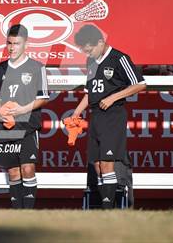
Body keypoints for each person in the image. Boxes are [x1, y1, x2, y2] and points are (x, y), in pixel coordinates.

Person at [71, 24, 146, 209]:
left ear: (100, 42)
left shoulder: (119, 58)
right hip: (95, 116)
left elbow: (140, 84)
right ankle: (104, 206)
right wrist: (76, 112)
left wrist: (113, 97)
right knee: (96, 164)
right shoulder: (91, 61)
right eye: (85, 51)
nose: (88, 54)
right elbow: (89, 92)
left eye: (90, 49)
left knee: (107, 163)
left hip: (113, 116)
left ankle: (108, 210)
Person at [0, 24, 49, 209]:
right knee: (13, 172)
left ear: (26, 44)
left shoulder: (37, 67)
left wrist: (22, 110)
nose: (12, 47)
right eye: (9, 43)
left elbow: (43, 98)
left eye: (17, 43)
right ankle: (17, 213)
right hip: (7, 129)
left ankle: (28, 212)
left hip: (28, 128)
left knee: (28, 168)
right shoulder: (0, 68)